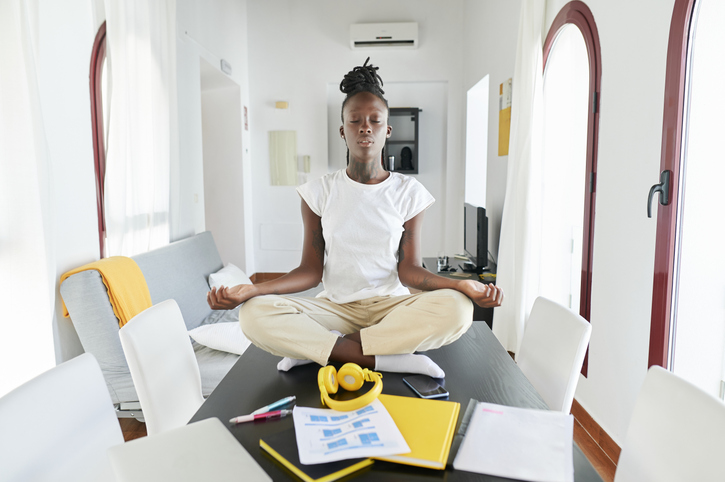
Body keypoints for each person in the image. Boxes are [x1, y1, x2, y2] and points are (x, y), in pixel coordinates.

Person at [207, 58, 503, 378]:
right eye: (355, 120)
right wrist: (253, 290)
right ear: (343, 130)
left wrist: (464, 286)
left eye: (375, 121)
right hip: (335, 308)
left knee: (458, 309)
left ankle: (322, 350)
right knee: (253, 315)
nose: (365, 127)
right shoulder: (318, 192)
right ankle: (387, 358)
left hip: (390, 308)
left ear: (387, 131)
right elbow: (309, 272)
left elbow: (410, 272)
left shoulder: (408, 192)